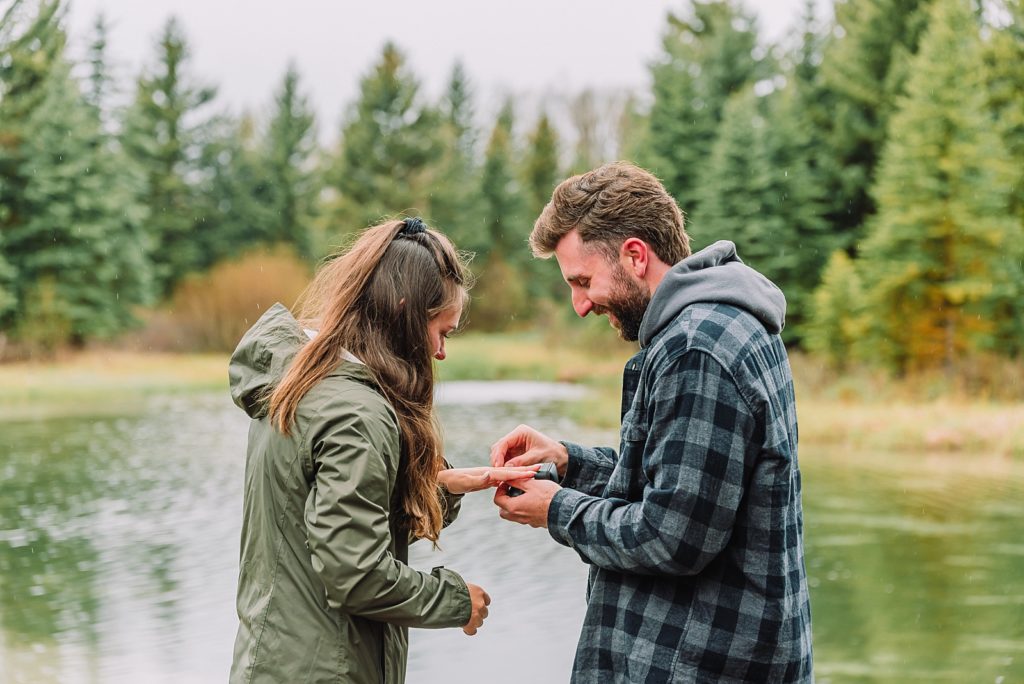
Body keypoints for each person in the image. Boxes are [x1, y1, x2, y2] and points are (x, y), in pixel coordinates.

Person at [491, 163, 813, 682]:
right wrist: (569, 462)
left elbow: (673, 537)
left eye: (583, 281)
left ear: (635, 256)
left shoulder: (696, 349)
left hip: (699, 665)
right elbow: (684, 484)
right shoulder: (718, 324)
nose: (579, 305)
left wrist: (558, 509)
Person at [228, 218, 538, 684]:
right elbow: (356, 573)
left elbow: (317, 526)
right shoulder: (357, 414)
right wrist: (456, 601)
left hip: (275, 660)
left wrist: (432, 488)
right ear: (403, 314)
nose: (440, 352)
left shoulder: (302, 382)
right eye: (441, 331)